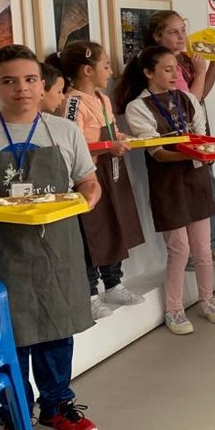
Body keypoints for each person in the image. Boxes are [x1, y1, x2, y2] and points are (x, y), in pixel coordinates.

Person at [0, 45, 102, 430]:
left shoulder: (64, 130)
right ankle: (15, 421)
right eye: (10, 80)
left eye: (30, 79)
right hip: (2, 251)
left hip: (57, 247)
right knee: (11, 338)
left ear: (42, 83)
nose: (22, 89)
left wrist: (85, 202)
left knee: (57, 330)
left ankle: (57, 408)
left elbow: (89, 183)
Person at [115, 45, 215, 335]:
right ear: (148, 73)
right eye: (167, 69)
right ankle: (174, 309)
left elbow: (201, 135)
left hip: (196, 180)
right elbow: (157, 153)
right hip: (168, 184)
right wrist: (196, 152)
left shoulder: (188, 98)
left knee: (204, 248)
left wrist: (207, 150)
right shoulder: (137, 107)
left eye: (176, 69)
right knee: (179, 248)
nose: (174, 74)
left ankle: (208, 299)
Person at [48, 41, 146, 321]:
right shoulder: (73, 101)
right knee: (92, 231)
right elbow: (72, 140)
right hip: (90, 174)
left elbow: (112, 129)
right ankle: (90, 292)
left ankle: (113, 282)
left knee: (116, 225)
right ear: (87, 70)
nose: (111, 71)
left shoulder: (103, 98)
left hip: (113, 172)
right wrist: (107, 146)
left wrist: (121, 138)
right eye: (105, 65)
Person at [145, 10, 215, 273]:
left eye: (182, 30)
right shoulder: (165, 68)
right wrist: (200, 73)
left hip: (198, 136)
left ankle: (211, 246)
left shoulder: (185, 60)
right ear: (157, 36)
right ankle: (206, 248)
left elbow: (201, 95)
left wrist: (214, 65)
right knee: (197, 193)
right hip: (180, 142)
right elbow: (189, 103)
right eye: (173, 32)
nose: (181, 36)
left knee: (208, 190)